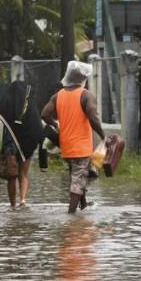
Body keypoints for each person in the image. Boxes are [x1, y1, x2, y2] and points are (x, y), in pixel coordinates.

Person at [41, 61, 105, 214]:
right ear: (83, 78)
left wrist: (56, 125)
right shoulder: (85, 95)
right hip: (81, 146)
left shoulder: (58, 95)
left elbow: (44, 114)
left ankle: (83, 205)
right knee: (79, 177)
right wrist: (103, 135)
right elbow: (93, 117)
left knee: (78, 175)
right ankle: (71, 214)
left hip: (66, 145)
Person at [0, 80, 44, 207]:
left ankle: (12, 204)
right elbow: (38, 127)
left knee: (11, 175)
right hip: (27, 145)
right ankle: (23, 200)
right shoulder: (30, 106)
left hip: (10, 145)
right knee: (23, 174)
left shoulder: (7, 104)